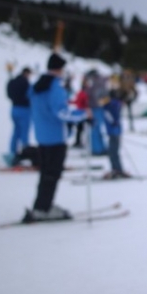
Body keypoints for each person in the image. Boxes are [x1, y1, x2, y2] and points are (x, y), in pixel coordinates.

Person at [23, 53, 87, 222]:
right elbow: (61, 112)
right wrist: (83, 114)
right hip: (56, 137)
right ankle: (43, 208)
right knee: (52, 174)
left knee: (46, 173)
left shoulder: (38, 86)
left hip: (42, 135)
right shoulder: (55, 87)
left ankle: (42, 204)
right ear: (60, 69)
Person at [101, 79, 132, 179]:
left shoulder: (111, 104)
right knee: (114, 151)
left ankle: (117, 169)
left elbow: (108, 115)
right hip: (115, 130)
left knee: (113, 151)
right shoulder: (115, 104)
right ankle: (117, 168)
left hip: (113, 130)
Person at [6, 67, 32, 165]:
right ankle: (25, 154)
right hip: (24, 109)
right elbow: (30, 95)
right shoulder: (25, 83)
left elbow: (8, 94)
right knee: (24, 133)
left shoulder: (13, 81)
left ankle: (13, 153)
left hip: (14, 108)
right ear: (26, 73)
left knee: (16, 132)